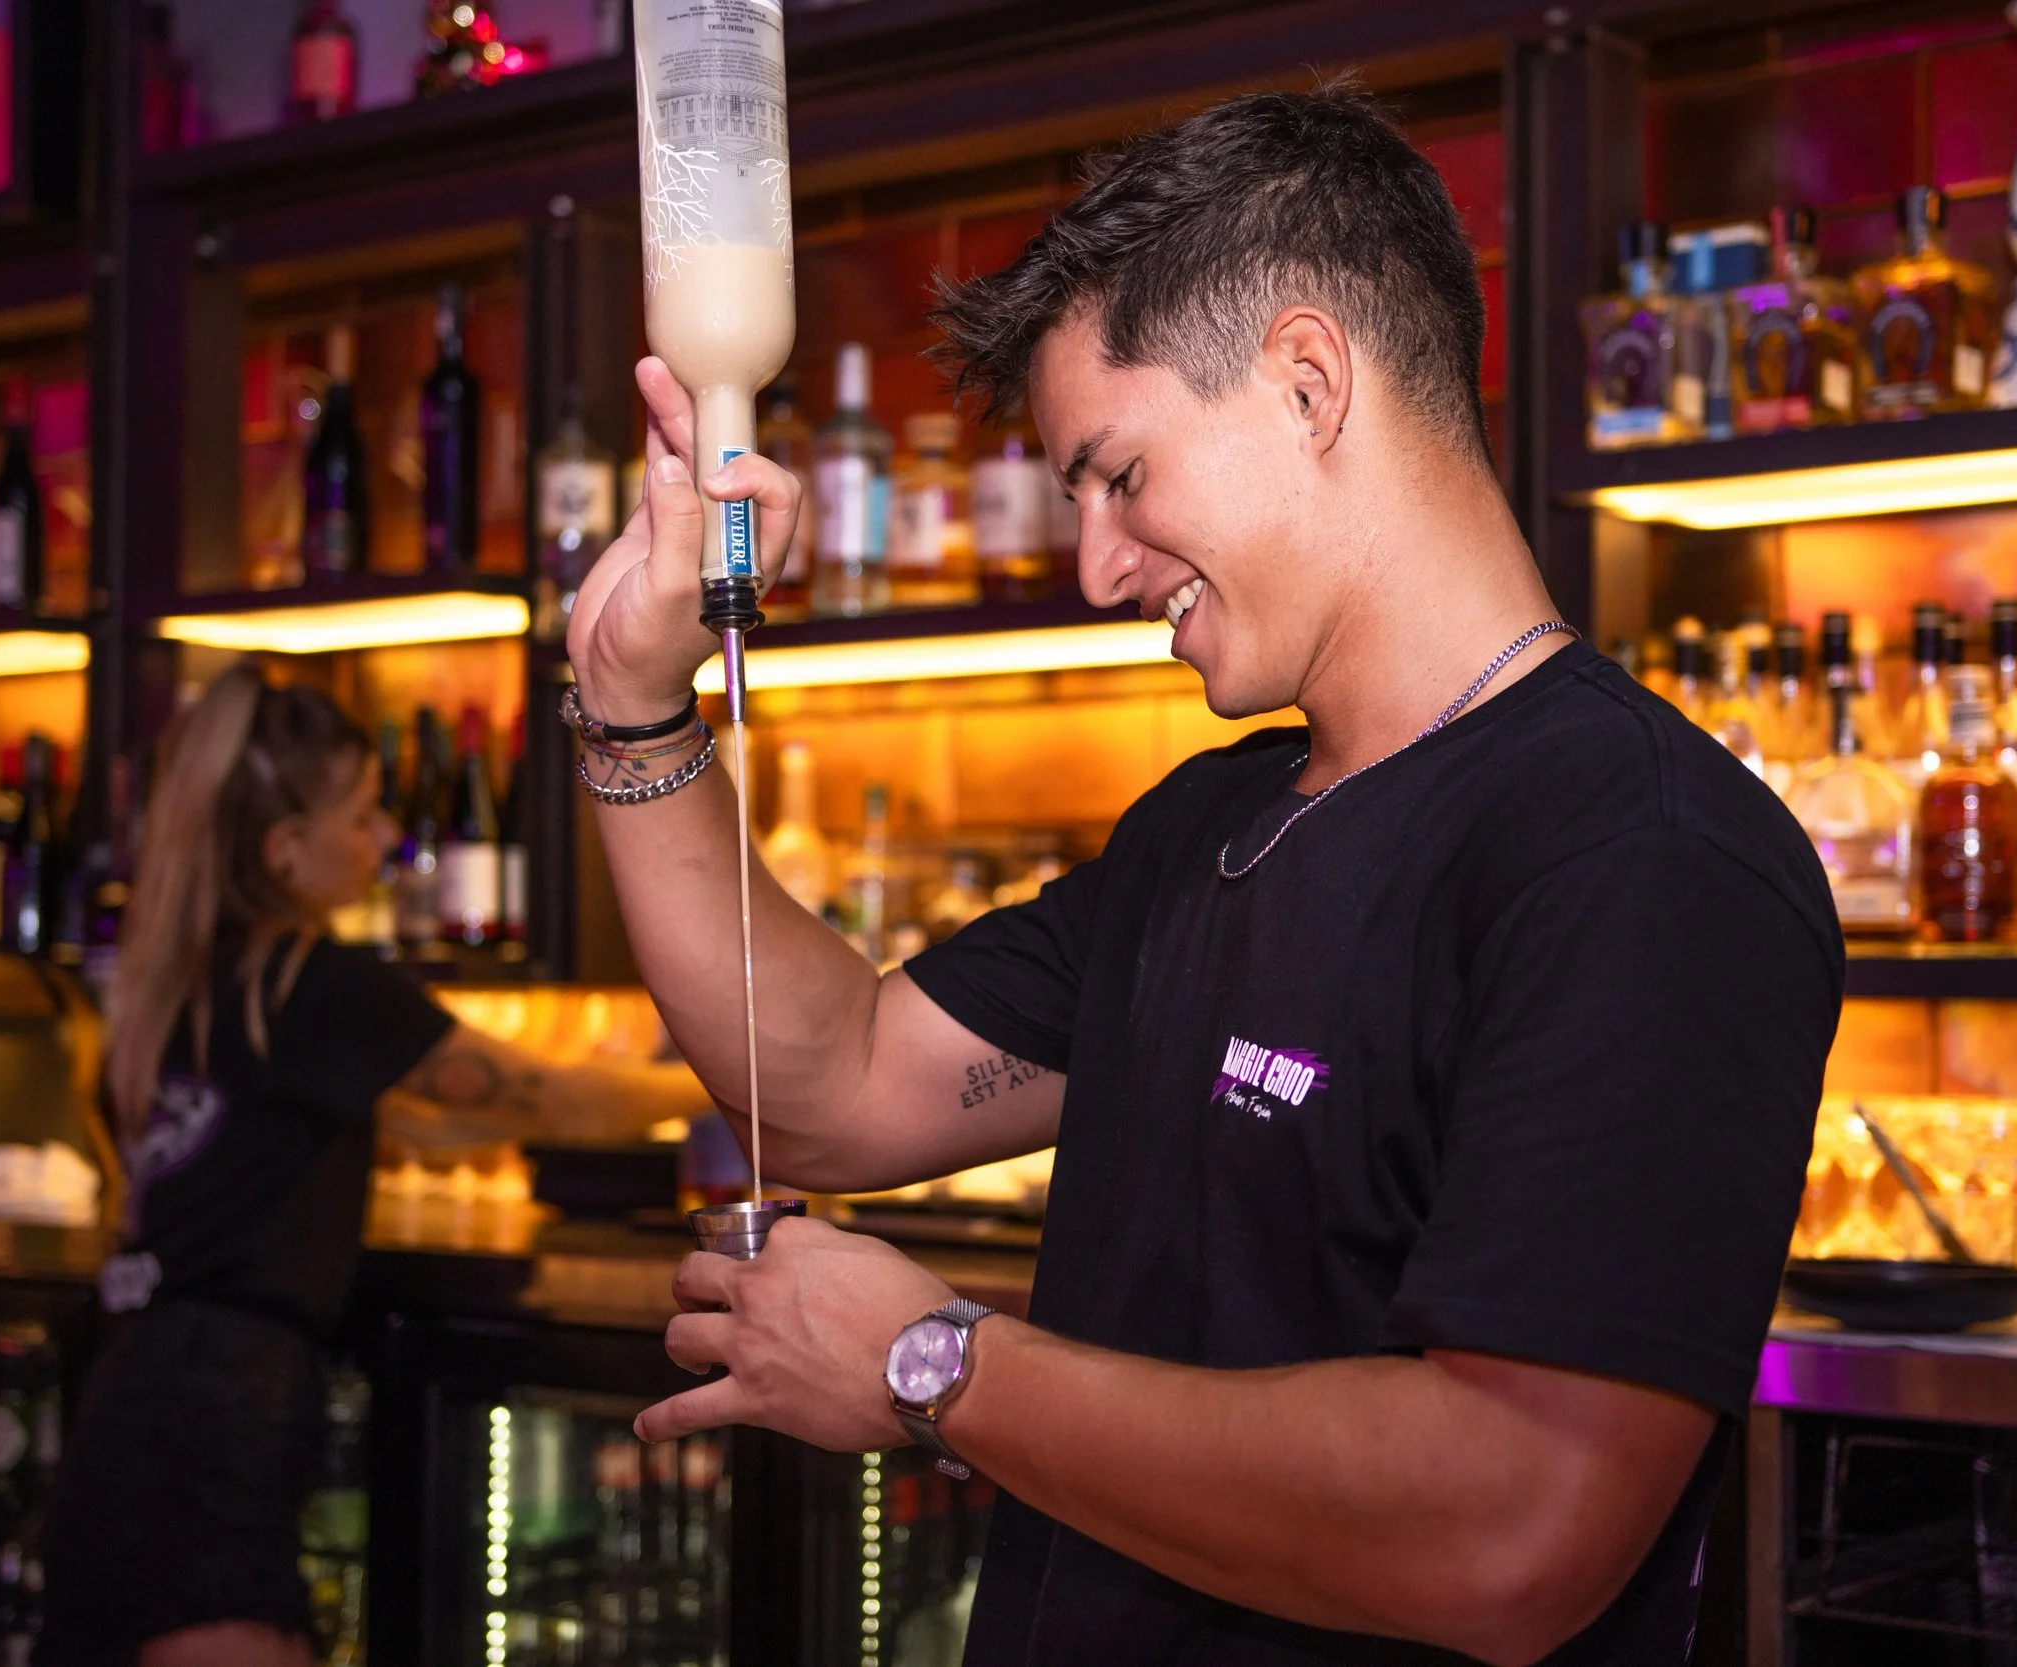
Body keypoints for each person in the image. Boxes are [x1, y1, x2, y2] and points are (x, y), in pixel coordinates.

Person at [567, 87, 1841, 1666]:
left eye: (1119, 477)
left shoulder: (1642, 853)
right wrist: (631, 700)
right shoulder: (1204, 829)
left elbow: (1513, 1523)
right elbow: (828, 1087)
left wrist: (934, 1361)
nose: (1098, 567)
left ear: (1309, 380)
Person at [37, 662, 703, 1667]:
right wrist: (754, 1068)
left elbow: (423, 1127)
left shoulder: (195, 979)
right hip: (214, 1428)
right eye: (361, 815)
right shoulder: (313, 980)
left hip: (134, 1401)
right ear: (285, 848)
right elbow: (550, 1097)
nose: (386, 835)